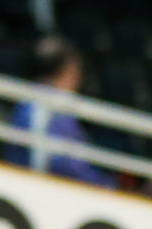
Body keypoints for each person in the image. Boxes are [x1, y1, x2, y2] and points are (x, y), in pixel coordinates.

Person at [8, 37, 112, 187]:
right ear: (68, 70)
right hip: (37, 184)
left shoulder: (56, 103)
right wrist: (103, 185)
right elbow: (56, 161)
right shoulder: (42, 105)